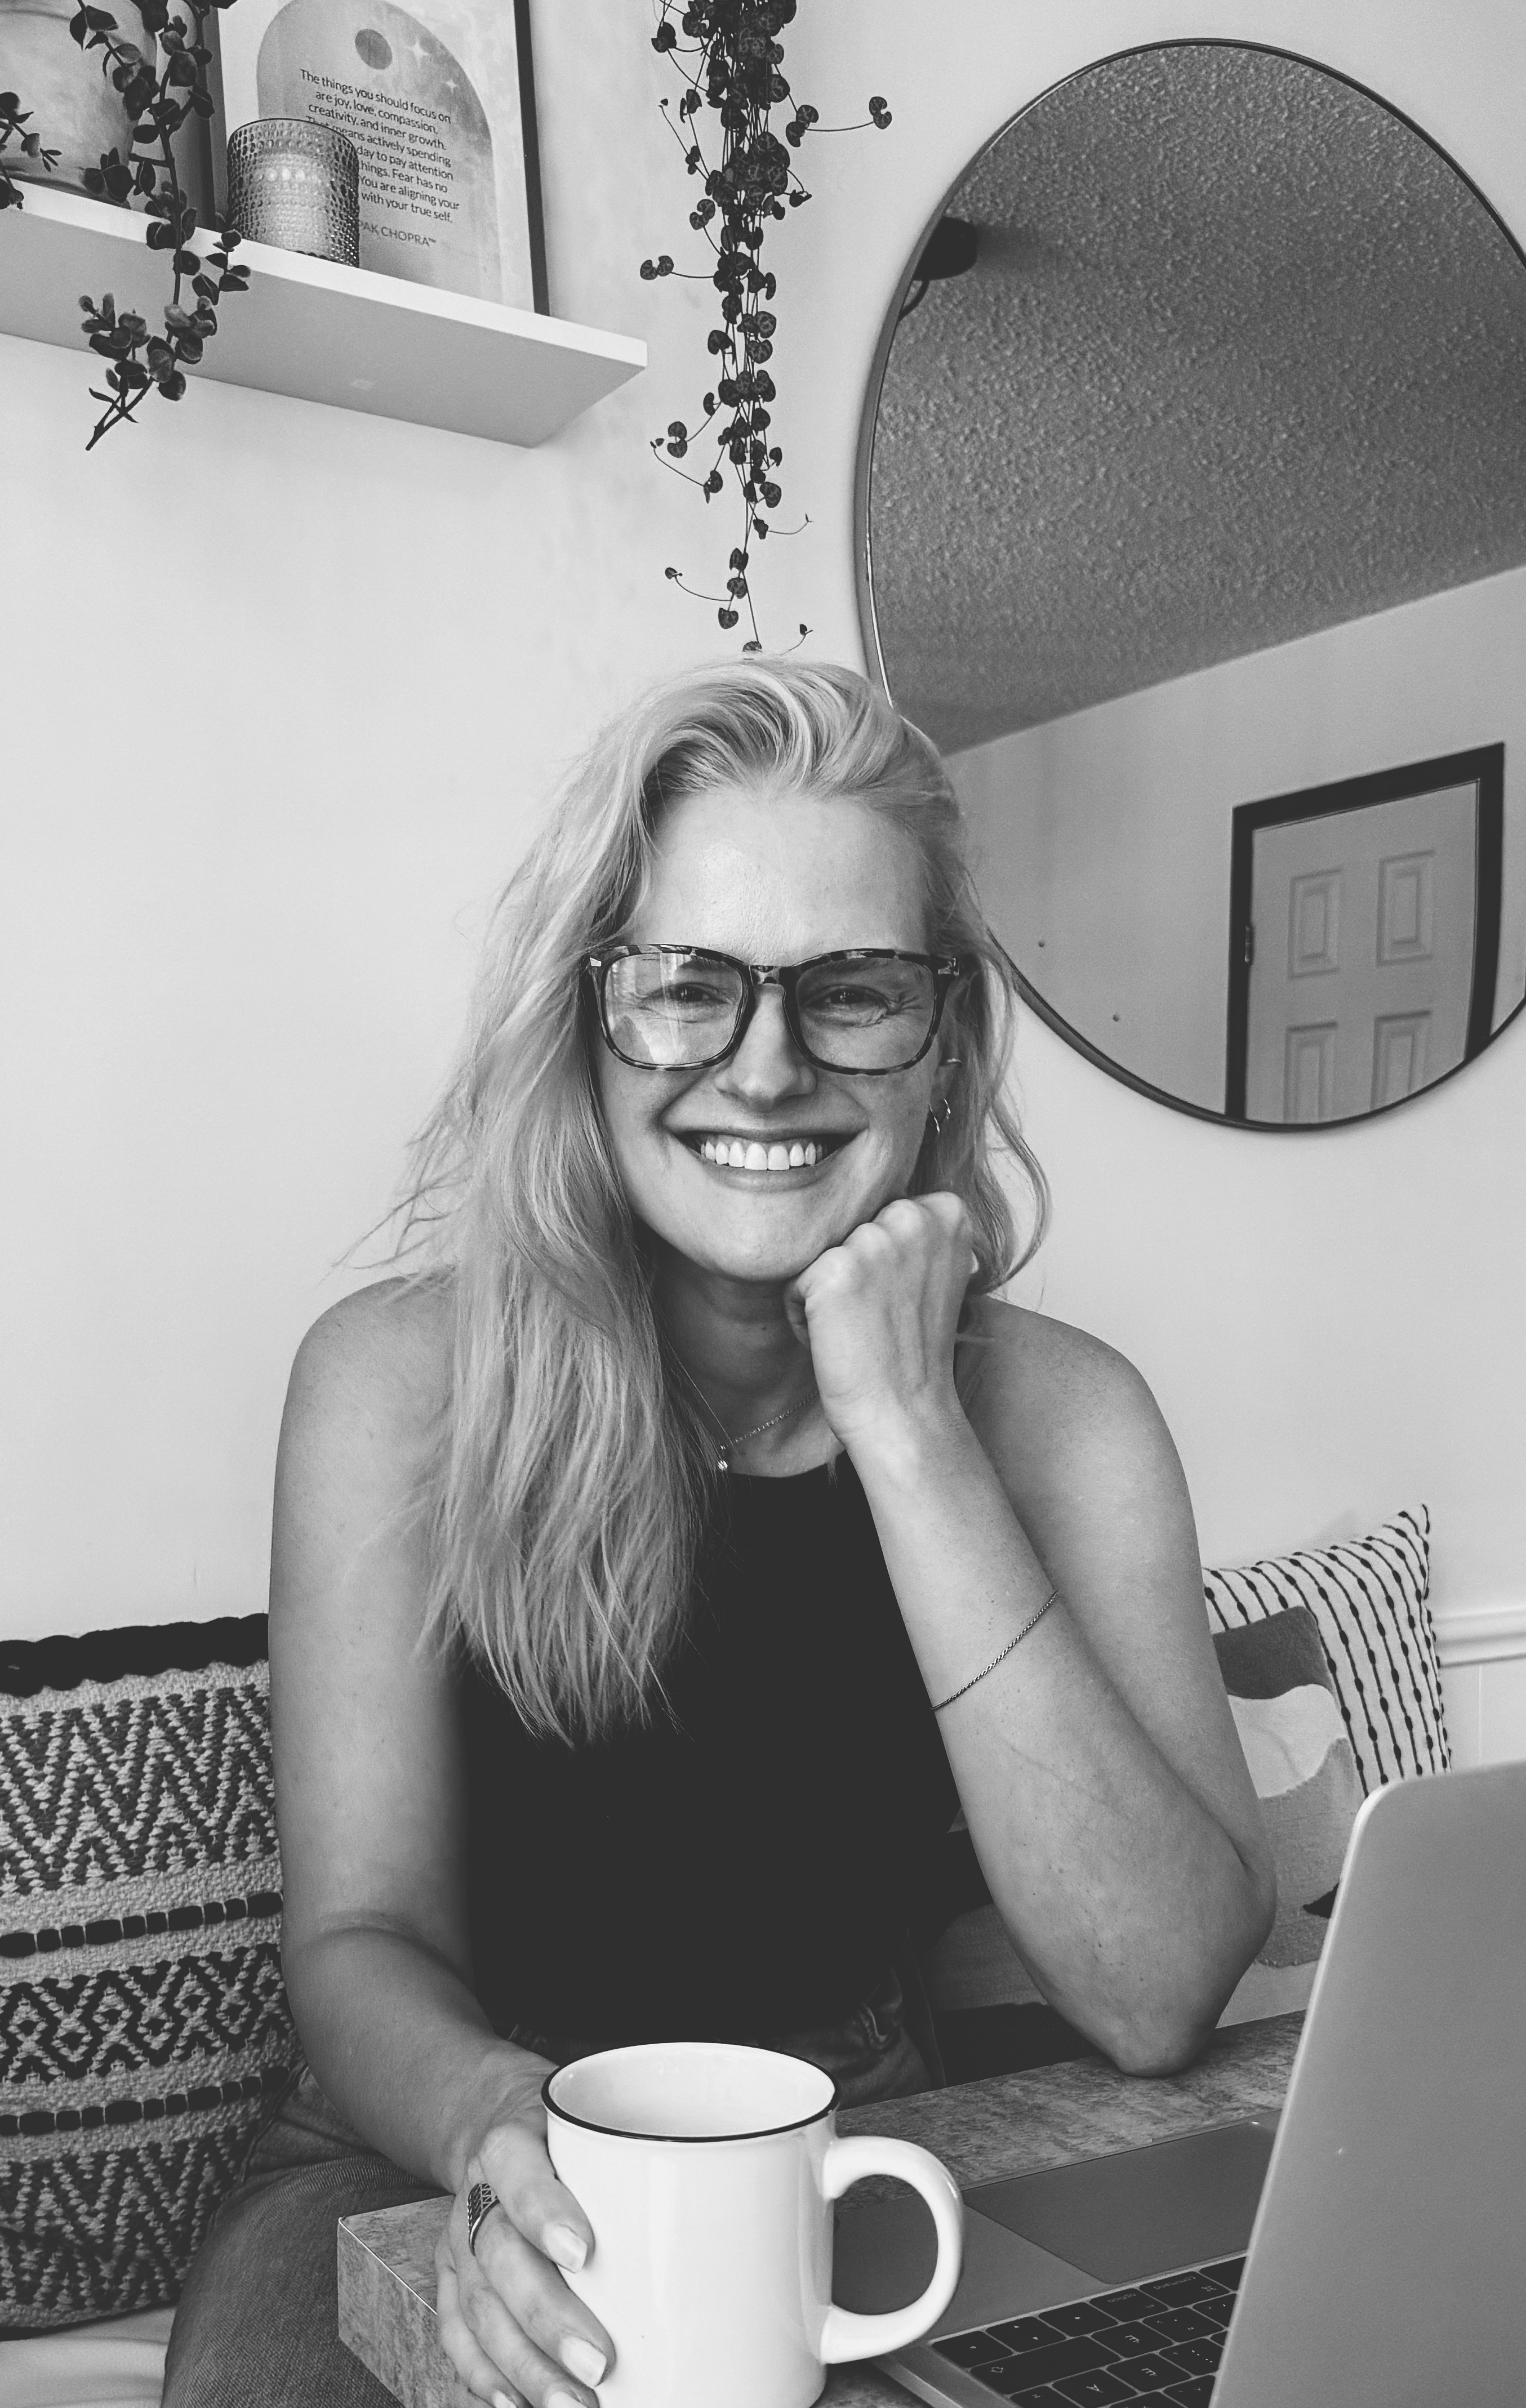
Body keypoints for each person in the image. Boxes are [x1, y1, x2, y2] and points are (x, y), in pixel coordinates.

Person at [161, 658, 1274, 2408]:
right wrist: (493, 2121)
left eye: (847, 992)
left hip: (853, 2140)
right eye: (688, 988)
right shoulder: (391, 1384)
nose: (764, 1070)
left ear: (943, 1037)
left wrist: (908, 1429)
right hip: (420, 2146)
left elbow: (1157, 1994)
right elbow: (357, 1936)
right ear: (588, 1022)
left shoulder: (1067, 1417)